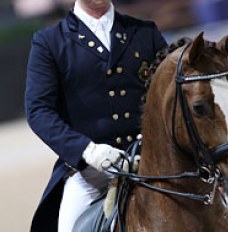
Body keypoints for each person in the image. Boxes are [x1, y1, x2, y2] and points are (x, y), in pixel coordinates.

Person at [25, 0, 167, 231]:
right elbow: (39, 111)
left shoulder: (145, 32)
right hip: (91, 172)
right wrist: (87, 150)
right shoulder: (49, 42)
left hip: (152, 161)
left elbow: (174, 96)